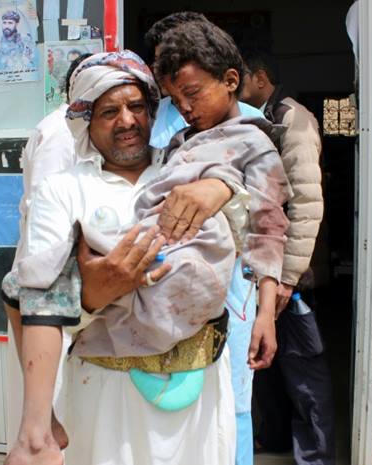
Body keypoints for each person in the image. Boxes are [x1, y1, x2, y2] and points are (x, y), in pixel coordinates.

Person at [6, 50, 242, 465]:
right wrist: (92, 295)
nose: (127, 121)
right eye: (109, 112)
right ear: (85, 122)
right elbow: (31, 300)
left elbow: (256, 214)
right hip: (108, 393)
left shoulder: (189, 168)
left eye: (136, 106)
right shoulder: (62, 190)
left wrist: (220, 188)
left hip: (202, 384)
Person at [145, 13, 278, 465]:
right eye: (176, 99)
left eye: (193, 94)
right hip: (178, 287)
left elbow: (269, 228)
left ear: (231, 80)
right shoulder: (181, 140)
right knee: (187, 398)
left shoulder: (254, 139)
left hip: (235, 296)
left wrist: (266, 313)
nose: (185, 105)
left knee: (233, 401)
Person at [240, 49, 334, 465]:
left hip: (293, 275)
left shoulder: (292, 118)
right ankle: (275, 439)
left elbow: (307, 203)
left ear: (259, 78)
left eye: (237, 80)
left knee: (304, 372)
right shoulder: (263, 117)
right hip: (269, 271)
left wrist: (289, 277)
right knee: (270, 369)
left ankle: (316, 456)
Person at [0, 53, 91, 453]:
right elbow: (46, 213)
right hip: (48, 287)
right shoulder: (60, 133)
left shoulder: (71, 128)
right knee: (48, 409)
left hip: (60, 286)